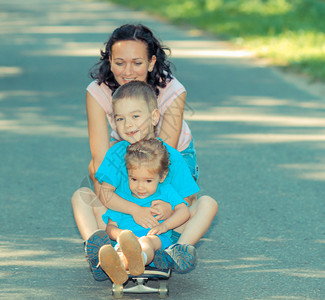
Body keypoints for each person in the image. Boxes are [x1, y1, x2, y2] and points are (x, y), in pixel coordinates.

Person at [71, 24, 218, 280]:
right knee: (85, 196)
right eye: (119, 62)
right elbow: (100, 160)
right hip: (123, 162)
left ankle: (174, 249)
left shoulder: (172, 90)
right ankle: (101, 250)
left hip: (167, 159)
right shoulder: (99, 93)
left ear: (151, 62)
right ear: (109, 61)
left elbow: (161, 159)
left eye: (137, 62)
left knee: (195, 204)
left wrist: (164, 210)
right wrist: (117, 209)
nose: (128, 71)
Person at [98, 138, 191, 284]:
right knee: (120, 252)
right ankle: (120, 268)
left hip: (155, 237)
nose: (140, 187)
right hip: (126, 241)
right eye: (134, 179)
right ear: (127, 173)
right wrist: (122, 235)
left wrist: (164, 226)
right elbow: (110, 227)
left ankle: (139, 259)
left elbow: (184, 211)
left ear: (162, 176)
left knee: (147, 242)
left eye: (148, 181)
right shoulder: (122, 198)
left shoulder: (165, 191)